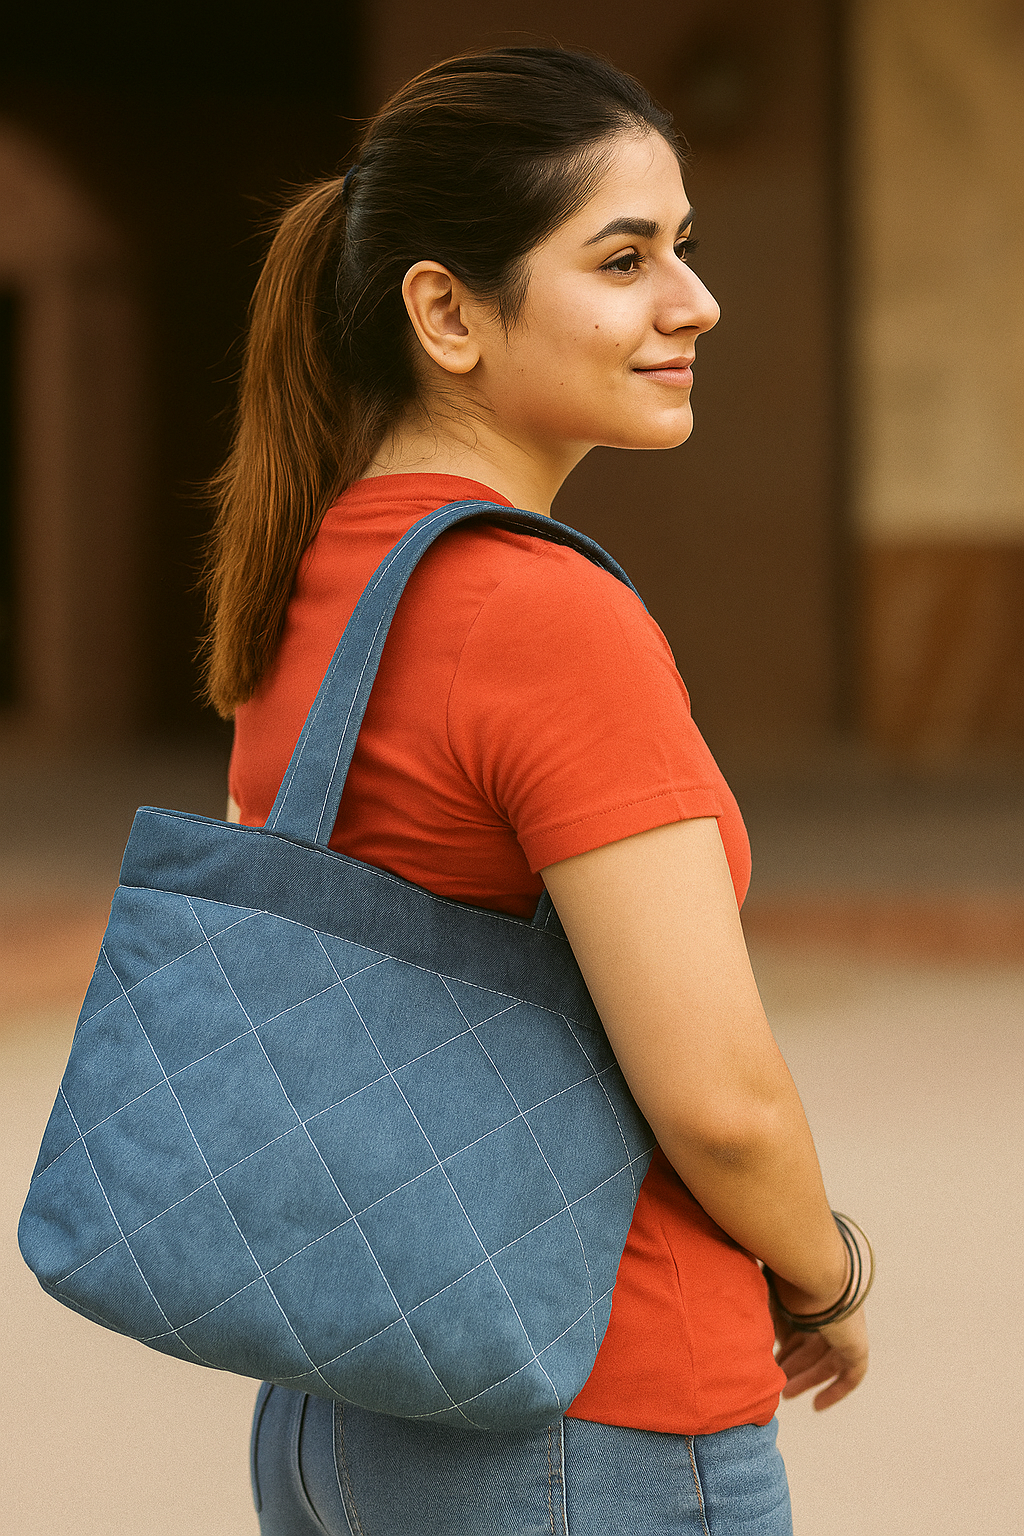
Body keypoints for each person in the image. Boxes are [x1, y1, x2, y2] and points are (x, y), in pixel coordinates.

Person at [205, 45, 870, 1536]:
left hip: (341, 1411)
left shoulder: (320, 575)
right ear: (447, 312)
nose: (693, 301)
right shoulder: (544, 613)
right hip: (581, 1414)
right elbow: (720, 1101)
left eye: (683, 247)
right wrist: (830, 1273)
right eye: (625, 259)